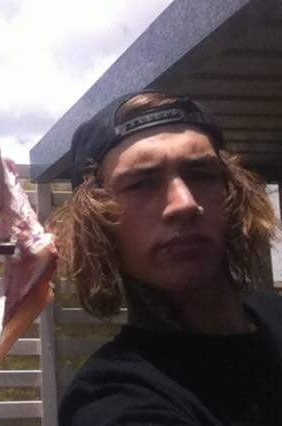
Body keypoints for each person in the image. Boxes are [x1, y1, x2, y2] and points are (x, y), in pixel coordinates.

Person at [50, 90, 282, 425]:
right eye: (142, 184)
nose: (184, 203)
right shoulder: (115, 399)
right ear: (98, 223)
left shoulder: (273, 313)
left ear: (230, 195)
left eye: (201, 174)